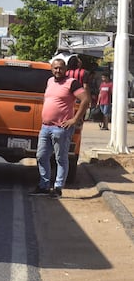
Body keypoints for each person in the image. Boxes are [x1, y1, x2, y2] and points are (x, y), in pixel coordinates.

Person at [32, 57, 90, 198]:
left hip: (61, 128)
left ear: (66, 70)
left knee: (61, 158)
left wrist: (75, 119)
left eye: (61, 68)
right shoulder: (50, 81)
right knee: (41, 156)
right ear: (52, 69)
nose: (58, 70)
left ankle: (58, 188)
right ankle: (44, 185)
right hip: (46, 127)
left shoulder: (72, 83)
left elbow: (86, 100)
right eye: (55, 68)